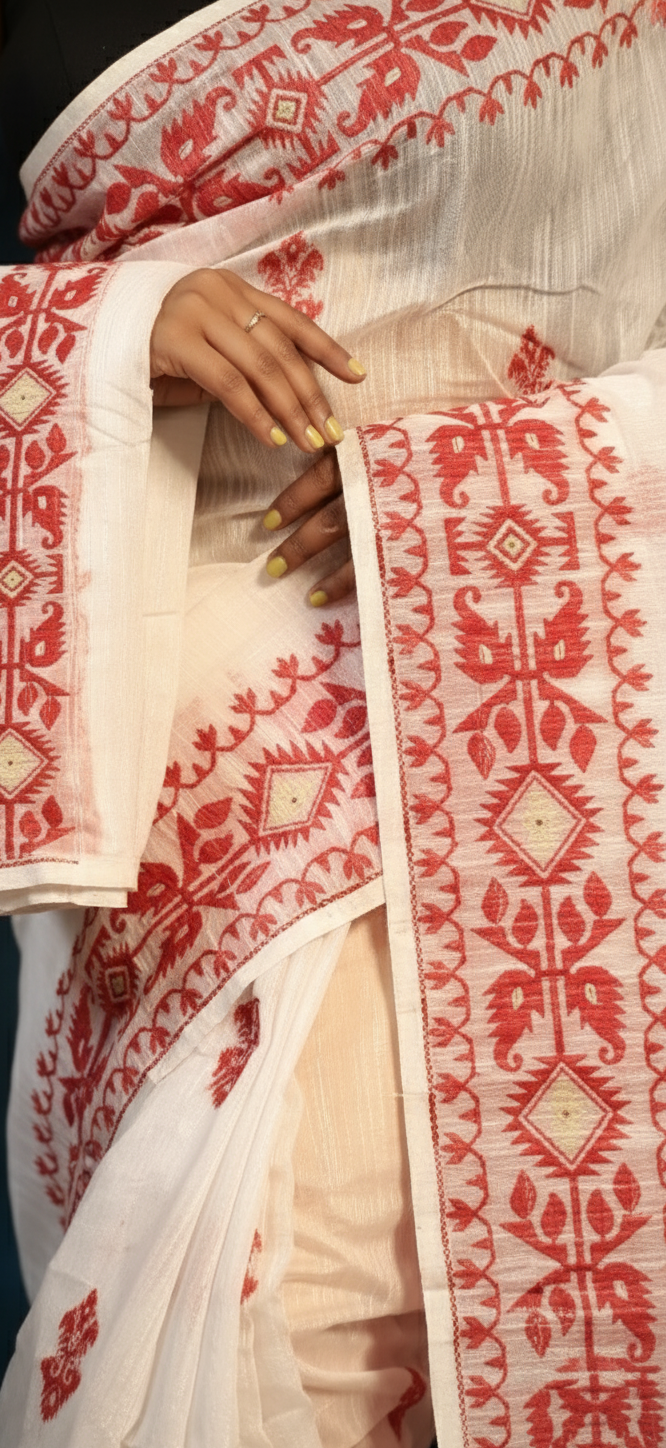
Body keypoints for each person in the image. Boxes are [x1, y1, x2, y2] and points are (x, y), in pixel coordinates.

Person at [0, 1, 665, 1444]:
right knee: (237, 1297)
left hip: (554, 702)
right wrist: (104, 328)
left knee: (375, 1276)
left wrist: (486, 476)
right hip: (174, 744)